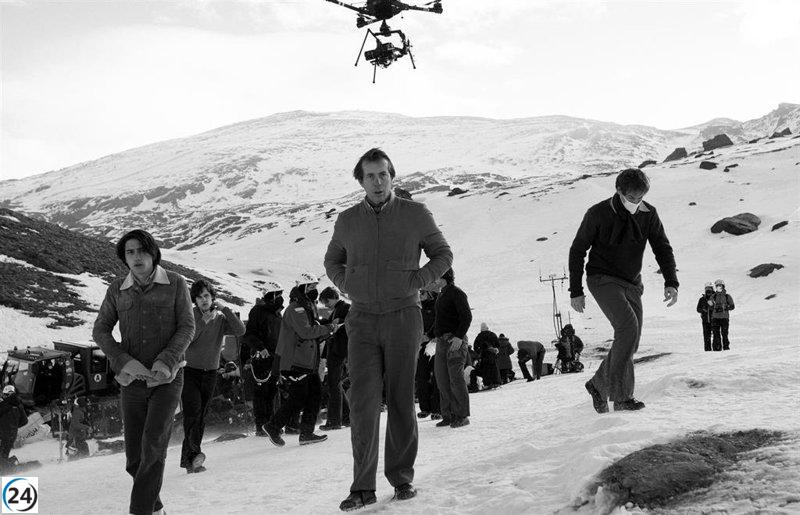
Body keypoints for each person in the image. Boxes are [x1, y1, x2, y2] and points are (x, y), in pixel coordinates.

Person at [324, 148, 453, 511]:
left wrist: (419, 280)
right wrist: (344, 282)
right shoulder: (348, 220)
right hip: (362, 319)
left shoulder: (415, 214)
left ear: (392, 176)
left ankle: (401, 479)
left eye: (383, 175)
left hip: (403, 316)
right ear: (361, 181)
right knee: (363, 402)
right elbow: (332, 259)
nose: (377, 182)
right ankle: (362, 487)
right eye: (370, 176)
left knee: (399, 399)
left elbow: (443, 253)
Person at [93, 229, 194, 515]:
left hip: (168, 378)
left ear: (153, 253)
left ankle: (140, 511)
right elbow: (100, 330)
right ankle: (155, 507)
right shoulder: (117, 289)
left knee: (152, 446)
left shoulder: (175, 283)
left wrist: (166, 360)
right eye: (130, 252)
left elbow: (187, 326)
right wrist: (123, 361)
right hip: (132, 380)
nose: (136, 257)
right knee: (134, 460)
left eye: (141, 250)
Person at [569, 168, 678, 414]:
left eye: (640, 198)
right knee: (627, 328)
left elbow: (662, 246)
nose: (636, 203)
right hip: (602, 278)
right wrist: (575, 290)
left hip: (631, 282)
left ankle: (598, 384)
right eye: (632, 198)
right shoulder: (598, 214)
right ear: (618, 191)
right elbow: (577, 251)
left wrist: (671, 281)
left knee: (631, 341)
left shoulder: (648, 213)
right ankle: (622, 398)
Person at [181, 280, 245, 474]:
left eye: (207, 296)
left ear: (213, 297)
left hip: (210, 373)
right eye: (199, 297)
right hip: (189, 371)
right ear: (195, 300)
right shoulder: (191, 316)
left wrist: (225, 310)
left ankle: (189, 459)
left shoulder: (220, 318)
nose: (203, 300)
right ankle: (193, 457)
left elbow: (240, 330)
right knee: (192, 414)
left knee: (200, 416)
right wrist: (203, 322)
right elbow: (186, 339)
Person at [264, 276, 336, 447]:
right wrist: (328, 328)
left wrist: (325, 330)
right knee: (300, 397)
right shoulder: (296, 309)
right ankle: (275, 426)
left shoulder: (305, 307)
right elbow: (305, 332)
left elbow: (310, 333)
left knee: (313, 394)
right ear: (303, 288)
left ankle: (304, 432)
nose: (314, 290)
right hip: (295, 362)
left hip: (304, 361)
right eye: (311, 287)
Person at [242, 281, 284, 435]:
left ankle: (271, 424)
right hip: (261, 357)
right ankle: (261, 425)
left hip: (276, 356)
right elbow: (248, 334)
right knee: (261, 392)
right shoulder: (257, 311)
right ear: (270, 295)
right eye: (277, 293)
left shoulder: (276, 312)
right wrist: (260, 347)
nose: (280, 297)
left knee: (272, 391)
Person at [433, 268, 473, 423]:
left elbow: (467, 316)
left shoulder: (456, 293)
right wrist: (431, 336)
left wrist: (459, 337)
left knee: (455, 379)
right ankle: (448, 415)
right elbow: (441, 320)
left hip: (454, 341)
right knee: (442, 378)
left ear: (444, 276)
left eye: (436, 276)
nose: (434, 279)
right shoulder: (441, 295)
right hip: (442, 342)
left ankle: (462, 415)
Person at [319, 286, 351, 431]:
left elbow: (351, 320)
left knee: (333, 385)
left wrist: (341, 322)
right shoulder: (338, 309)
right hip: (338, 350)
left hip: (339, 350)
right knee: (335, 384)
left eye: (326, 301)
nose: (326, 305)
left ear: (332, 297)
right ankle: (347, 417)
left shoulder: (344, 307)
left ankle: (334, 420)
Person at [415, 286, 441, 420]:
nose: (420, 295)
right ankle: (425, 407)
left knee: (437, 376)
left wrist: (430, 335)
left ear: (430, 293)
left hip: (435, 344)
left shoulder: (438, 307)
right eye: (420, 292)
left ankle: (438, 408)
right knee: (421, 376)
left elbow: (440, 323)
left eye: (423, 292)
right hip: (422, 346)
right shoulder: (420, 309)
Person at [0, 385, 27, 470]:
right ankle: (11, 463)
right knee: (3, 454)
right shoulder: (19, 404)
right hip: (12, 434)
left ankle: (11, 465)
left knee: (2, 457)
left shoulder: (3, 405)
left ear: (6, 395)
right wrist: (14, 426)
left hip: (4, 435)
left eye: (4, 395)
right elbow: (25, 421)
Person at [710, 279, 734, 351]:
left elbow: (732, 306)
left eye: (720, 286)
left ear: (723, 286)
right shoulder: (713, 296)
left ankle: (726, 347)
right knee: (716, 334)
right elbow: (710, 306)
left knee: (724, 334)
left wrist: (726, 307)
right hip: (715, 318)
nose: (719, 287)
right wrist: (714, 306)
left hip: (724, 318)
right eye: (717, 286)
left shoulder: (727, 296)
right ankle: (717, 348)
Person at [696, 283, 715, 351]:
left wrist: (712, 306)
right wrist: (703, 310)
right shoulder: (702, 299)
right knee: (707, 337)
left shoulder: (715, 297)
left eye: (709, 289)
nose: (708, 291)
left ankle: (716, 350)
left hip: (715, 320)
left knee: (716, 336)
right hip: (705, 320)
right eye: (707, 289)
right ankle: (707, 351)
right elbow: (698, 309)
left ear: (712, 290)